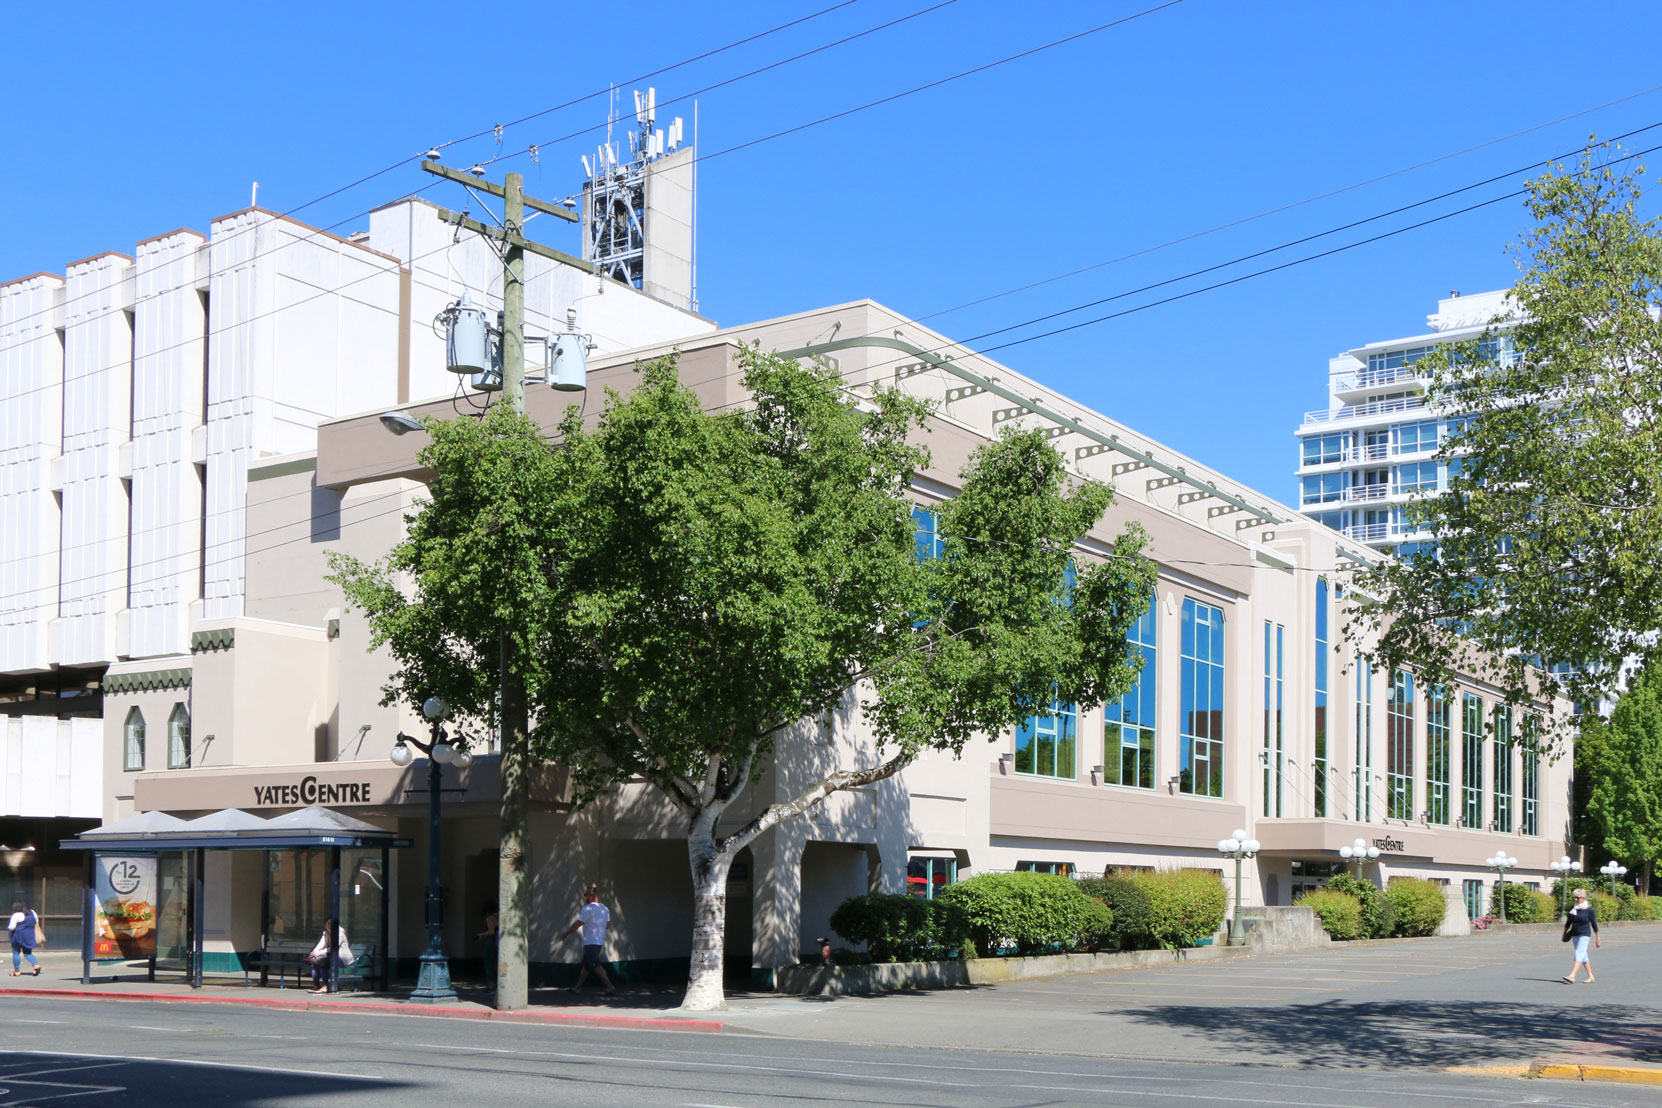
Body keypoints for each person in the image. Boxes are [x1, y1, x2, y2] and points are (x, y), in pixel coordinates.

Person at [560, 885, 616, 997]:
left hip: (590, 942)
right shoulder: (605, 909)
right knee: (586, 966)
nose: (586, 898)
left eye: (587, 895)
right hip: (599, 941)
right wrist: (598, 927)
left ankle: (610, 986)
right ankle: (577, 988)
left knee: (596, 964)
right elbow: (608, 925)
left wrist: (566, 933)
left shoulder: (587, 909)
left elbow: (578, 924)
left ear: (592, 895)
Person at [1562, 888, 1601, 983]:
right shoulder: (1573, 909)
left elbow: (1594, 924)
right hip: (1574, 935)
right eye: (1575, 897)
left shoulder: (1589, 910)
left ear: (1583, 898)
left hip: (1584, 935)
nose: (1576, 899)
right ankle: (1591, 976)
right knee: (1583, 956)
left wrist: (1598, 938)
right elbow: (1568, 923)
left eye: (1578, 898)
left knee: (1578, 953)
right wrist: (1564, 934)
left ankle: (1572, 975)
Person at [305, 918, 352, 994]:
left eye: (329, 926)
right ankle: (316, 985)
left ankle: (325, 986)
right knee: (316, 964)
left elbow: (333, 947)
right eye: (327, 925)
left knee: (321, 963)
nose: (328, 928)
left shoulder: (340, 934)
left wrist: (317, 954)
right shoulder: (327, 932)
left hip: (341, 958)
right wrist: (314, 952)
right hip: (330, 957)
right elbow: (321, 944)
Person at [8, 901, 39, 977]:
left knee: (16, 953)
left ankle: (17, 971)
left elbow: (12, 927)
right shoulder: (32, 912)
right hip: (29, 935)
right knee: (28, 953)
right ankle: (35, 965)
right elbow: (36, 921)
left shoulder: (16, 915)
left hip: (18, 936)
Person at [476, 905, 499, 986]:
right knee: (496, 964)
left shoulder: (490, 918)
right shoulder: (502, 917)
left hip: (491, 942)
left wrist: (481, 934)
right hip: (499, 943)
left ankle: (491, 986)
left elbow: (491, 931)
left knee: (489, 965)